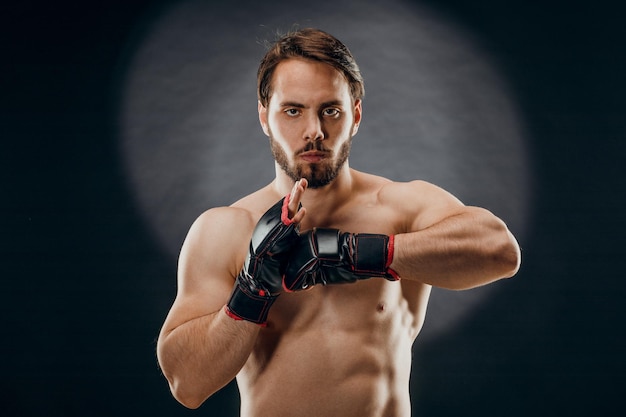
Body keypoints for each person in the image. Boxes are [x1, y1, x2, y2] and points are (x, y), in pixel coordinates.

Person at [156, 28, 521, 417]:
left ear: (356, 115)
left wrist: (351, 253)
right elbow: (186, 384)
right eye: (293, 110)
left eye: (330, 110)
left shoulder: (398, 208)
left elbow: (499, 251)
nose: (314, 131)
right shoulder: (225, 230)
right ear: (264, 116)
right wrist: (253, 288)